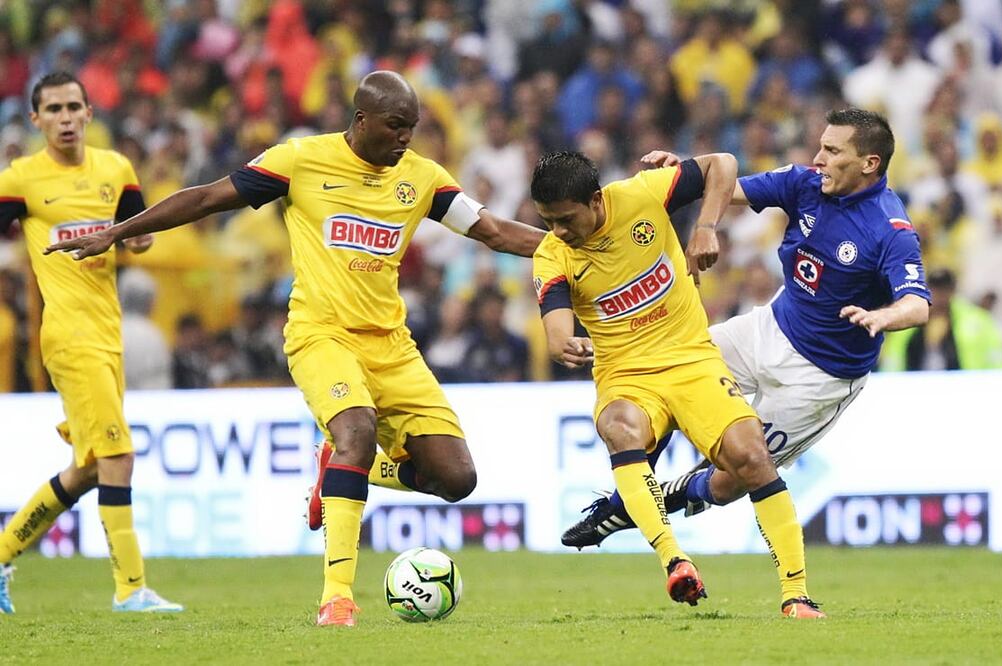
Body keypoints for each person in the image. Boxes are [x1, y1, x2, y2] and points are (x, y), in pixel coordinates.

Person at [46, 70, 545, 627]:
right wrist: (118, 231)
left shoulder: (422, 179)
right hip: (320, 334)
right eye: (396, 126)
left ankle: (335, 468)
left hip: (392, 347)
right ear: (362, 120)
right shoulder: (301, 161)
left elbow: (495, 231)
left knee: (456, 479)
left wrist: (571, 254)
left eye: (412, 128)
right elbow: (209, 197)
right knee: (354, 428)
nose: (405, 138)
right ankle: (337, 597)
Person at [562, 109, 931, 589]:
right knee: (665, 369)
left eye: (833, 151)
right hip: (767, 330)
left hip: (819, 379)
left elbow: (917, 305)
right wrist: (682, 177)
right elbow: (728, 187)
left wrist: (883, 317)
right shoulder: (804, 184)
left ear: (869, 163)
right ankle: (623, 502)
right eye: (821, 146)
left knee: (731, 478)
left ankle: (641, 506)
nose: (818, 158)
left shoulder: (889, 228)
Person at [531, 150, 823, 618]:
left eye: (565, 219)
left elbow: (722, 164)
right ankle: (675, 559)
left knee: (751, 457)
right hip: (626, 376)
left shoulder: (642, 195)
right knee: (621, 428)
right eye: (547, 221)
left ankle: (796, 595)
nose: (557, 232)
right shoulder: (553, 255)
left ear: (595, 200)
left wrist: (705, 226)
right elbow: (557, 326)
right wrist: (566, 344)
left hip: (692, 361)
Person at [0, 72, 181, 613]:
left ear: (88, 113)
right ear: (36, 120)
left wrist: (137, 234)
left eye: (73, 106)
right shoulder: (20, 179)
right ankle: (130, 589)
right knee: (119, 455)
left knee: (87, 469)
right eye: (52, 109)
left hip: (109, 333)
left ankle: (3, 552)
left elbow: (140, 234)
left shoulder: (116, 170)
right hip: (67, 335)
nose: (64, 117)